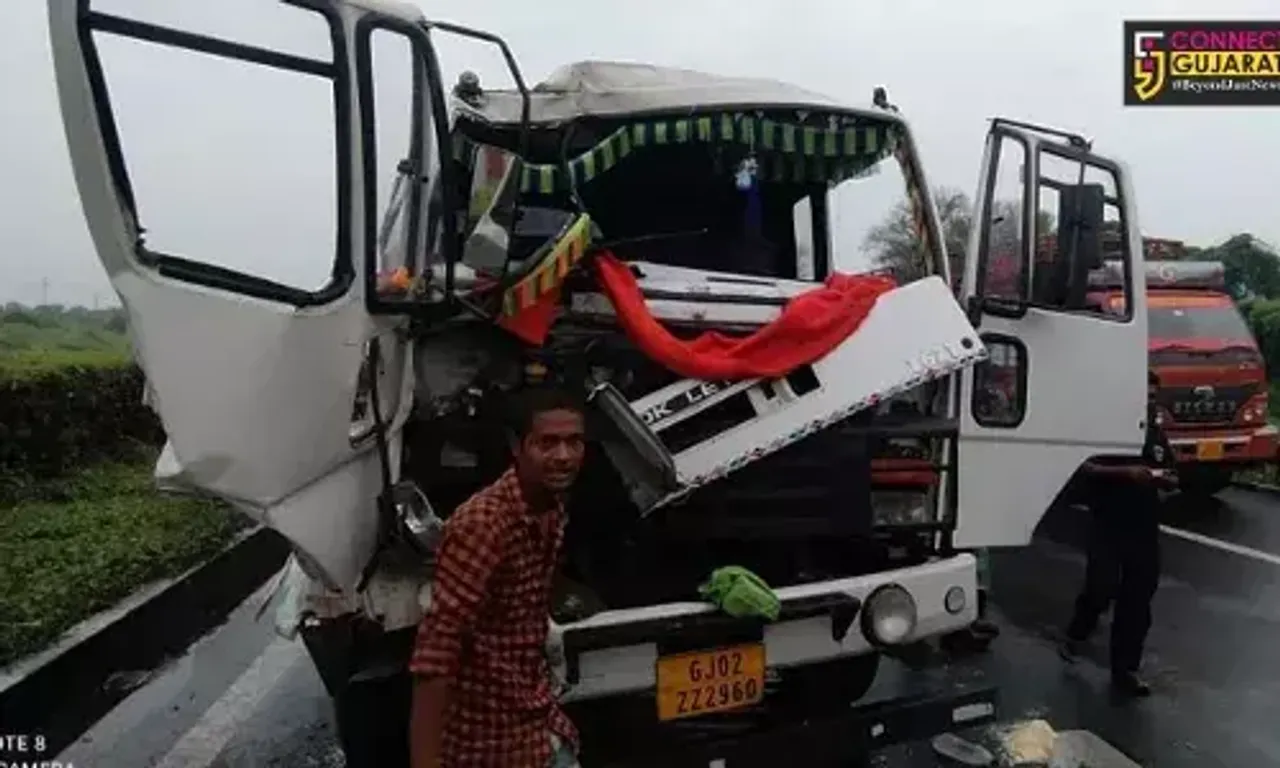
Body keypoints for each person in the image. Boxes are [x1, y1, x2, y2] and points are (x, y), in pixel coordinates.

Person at [409, 387, 588, 768]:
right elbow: (434, 657)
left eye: (574, 442)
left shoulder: (549, 510)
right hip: (489, 746)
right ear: (516, 446)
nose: (564, 456)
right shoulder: (485, 525)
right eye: (548, 443)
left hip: (537, 725)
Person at [1059, 370, 1176, 698]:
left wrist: (1165, 481)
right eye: (1145, 395)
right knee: (1102, 587)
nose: (1151, 401)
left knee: (1138, 601)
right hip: (1108, 524)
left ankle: (1125, 670)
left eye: (1155, 396)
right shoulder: (1108, 430)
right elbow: (1083, 467)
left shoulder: (1154, 435)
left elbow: (1171, 470)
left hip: (1144, 528)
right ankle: (1077, 632)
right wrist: (1125, 473)